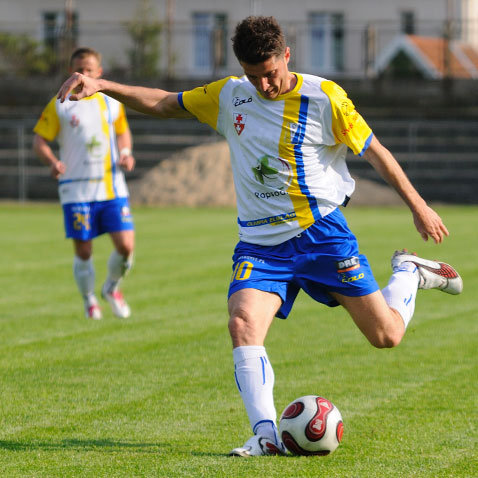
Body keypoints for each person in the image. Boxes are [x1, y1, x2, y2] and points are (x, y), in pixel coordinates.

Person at [56, 17, 463, 455]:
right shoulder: (230, 95)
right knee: (242, 323)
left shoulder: (325, 98)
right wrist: (103, 85)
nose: (264, 85)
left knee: (386, 336)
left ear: (286, 55)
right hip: (260, 245)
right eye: (254, 76)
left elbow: (376, 152)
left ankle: (408, 272)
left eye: (270, 72)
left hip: (320, 234)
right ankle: (267, 435)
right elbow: (164, 103)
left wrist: (418, 206)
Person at [34, 47, 135, 320]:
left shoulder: (113, 103)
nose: (84, 75)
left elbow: (123, 134)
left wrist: (125, 153)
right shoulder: (60, 103)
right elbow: (39, 140)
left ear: (99, 73)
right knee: (84, 248)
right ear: (71, 72)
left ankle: (111, 288)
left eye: (89, 70)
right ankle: (89, 299)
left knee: (126, 247)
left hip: (111, 186)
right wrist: (52, 162)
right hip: (75, 188)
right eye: (79, 70)